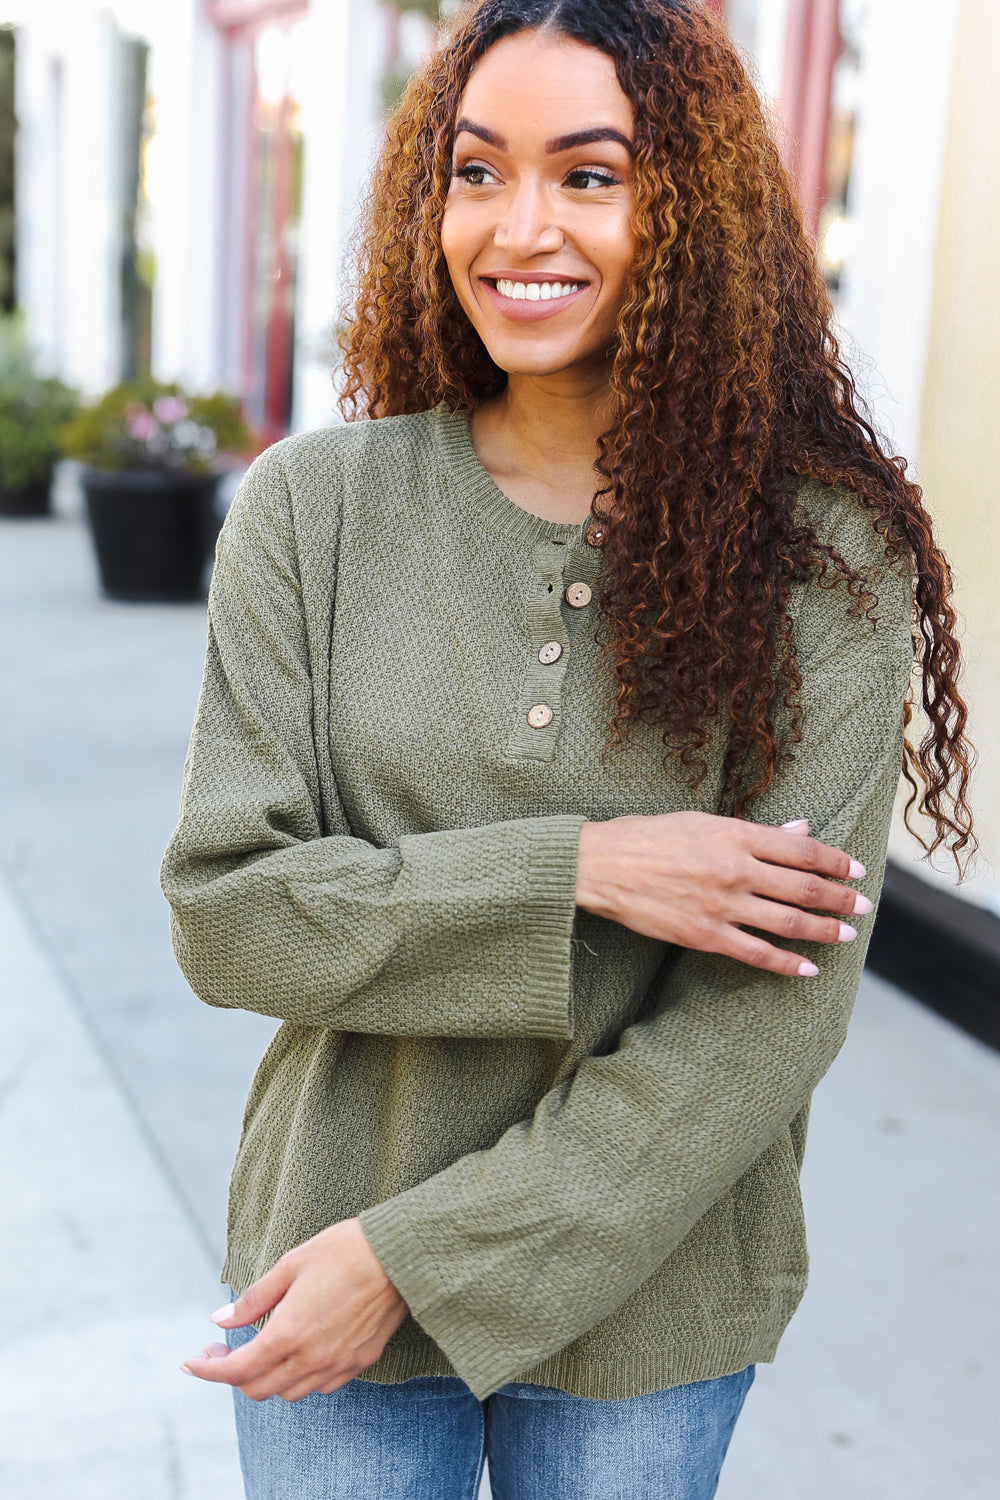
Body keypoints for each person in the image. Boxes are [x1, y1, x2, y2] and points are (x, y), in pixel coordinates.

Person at [160, 2, 974, 1496]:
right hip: (323, 1255)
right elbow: (233, 914)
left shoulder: (825, 558)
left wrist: (418, 1262)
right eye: (478, 171)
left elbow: (765, 1029)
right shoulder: (311, 510)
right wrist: (586, 871)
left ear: (696, 215)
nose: (518, 225)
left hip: (645, 1296)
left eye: (590, 175)